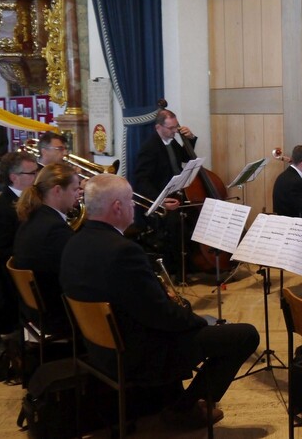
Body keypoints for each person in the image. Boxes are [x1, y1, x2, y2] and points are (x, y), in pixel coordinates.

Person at [60, 173, 259, 428]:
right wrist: (197, 322)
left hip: (100, 347)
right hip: (139, 353)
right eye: (130, 201)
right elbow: (162, 315)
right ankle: (184, 410)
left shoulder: (74, 242)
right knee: (244, 336)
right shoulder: (123, 251)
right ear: (117, 207)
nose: (134, 206)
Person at [13, 163, 80, 335]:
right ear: (57, 190)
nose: (78, 195)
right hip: (56, 316)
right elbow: (76, 271)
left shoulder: (32, 218)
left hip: (34, 310)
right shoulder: (54, 230)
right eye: (74, 189)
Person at [0, 152, 37, 336]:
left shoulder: (29, 197)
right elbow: (3, 249)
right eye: (31, 174)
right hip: (12, 282)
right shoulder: (4, 207)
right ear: (14, 178)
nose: (36, 177)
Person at [134, 109, 197, 211]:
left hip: (178, 191)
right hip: (163, 196)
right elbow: (142, 180)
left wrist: (190, 138)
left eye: (176, 126)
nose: (175, 131)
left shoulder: (171, 140)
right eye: (171, 128)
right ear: (158, 127)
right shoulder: (149, 147)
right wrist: (160, 200)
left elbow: (185, 157)